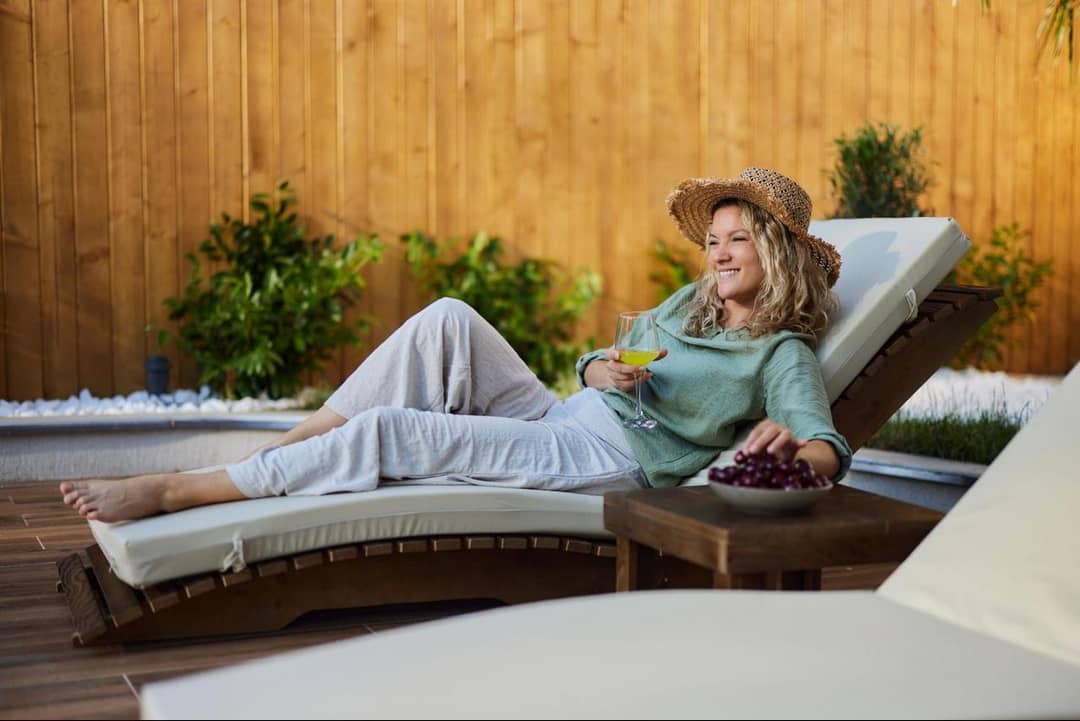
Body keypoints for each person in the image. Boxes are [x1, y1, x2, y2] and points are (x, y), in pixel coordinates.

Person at [60, 166, 851, 523]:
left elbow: (826, 447)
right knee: (448, 318)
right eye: (713, 239)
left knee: (392, 431)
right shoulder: (695, 304)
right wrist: (597, 369)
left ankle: (179, 490)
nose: (718, 254)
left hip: (608, 461)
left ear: (775, 253)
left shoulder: (779, 353)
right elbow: (609, 356)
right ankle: (289, 448)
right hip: (571, 414)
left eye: (737, 239)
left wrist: (788, 452)